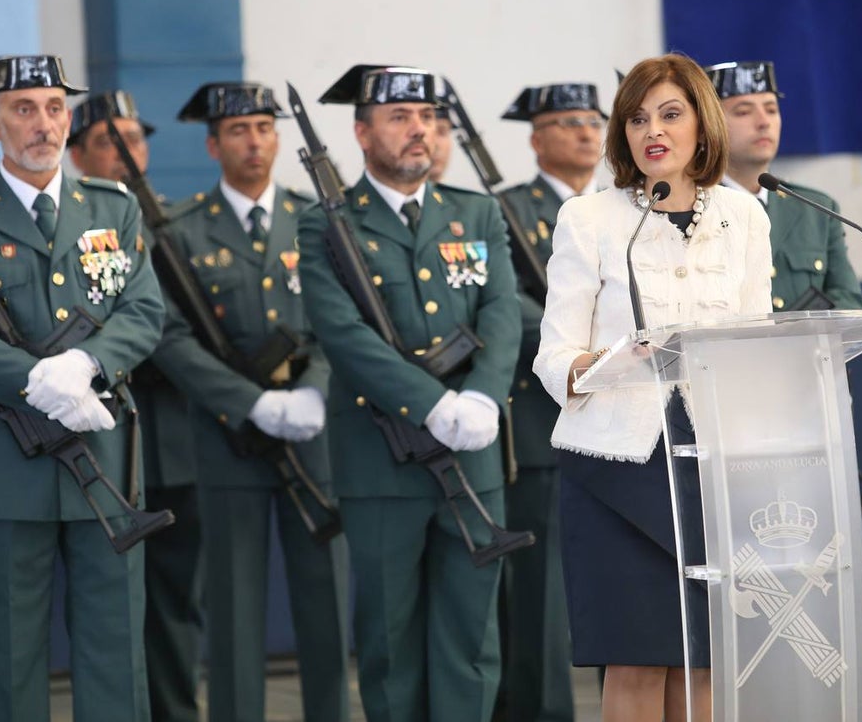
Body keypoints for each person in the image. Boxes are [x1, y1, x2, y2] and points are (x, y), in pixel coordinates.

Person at [0, 55, 165, 722]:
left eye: (55, 107)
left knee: (116, 651)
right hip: (5, 463)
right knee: (8, 654)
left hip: (108, 460)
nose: (44, 123)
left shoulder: (112, 208)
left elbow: (143, 311)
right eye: (24, 108)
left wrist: (86, 364)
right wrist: (33, 377)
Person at [534, 53, 772, 722]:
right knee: (637, 661)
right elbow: (553, 353)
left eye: (670, 114)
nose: (652, 131)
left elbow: (758, 339)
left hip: (711, 464)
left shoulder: (745, 218)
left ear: (703, 123)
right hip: (617, 466)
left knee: (703, 664)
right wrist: (601, 363)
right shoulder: (591, 217)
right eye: (637, 118)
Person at [297, 64, 522, 722]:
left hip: (475, 452)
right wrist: (432, 402)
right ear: (362, 133)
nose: (418, 129)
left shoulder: (476, 212)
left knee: (471, 639)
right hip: (381, 460)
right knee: (390, 642)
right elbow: (340, 331)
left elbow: (503, 310)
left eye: (426, 117)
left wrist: (482, 396)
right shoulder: (326, 224)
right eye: (399, 118)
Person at [153, 81, 350, 722]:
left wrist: (315, 389)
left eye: (264, 128)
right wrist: (248, 403)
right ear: (214, 145)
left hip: (312, 436)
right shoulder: (180, 231)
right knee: (235, 605)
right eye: (238, 131)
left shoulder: (316, 220)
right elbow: (170, 337)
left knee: (325, 600)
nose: (254, 141)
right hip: (227, 438)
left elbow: (340, 318)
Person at [705, 59, 862, 513]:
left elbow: (849, 302)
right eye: (743, 110)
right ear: (710, 124)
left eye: (770, 109)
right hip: (732, 404)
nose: (762, 121)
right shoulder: (693, 208)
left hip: (809, 397)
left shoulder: (813, 206)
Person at [67, 90, 206, 722]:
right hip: (95, 440)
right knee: (106, 605)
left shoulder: (185, 224)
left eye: (136, 139)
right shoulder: (62, 230)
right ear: (75, 156)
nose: (127, 153)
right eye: (108, 141)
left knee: (175, 602)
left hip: (176, 441)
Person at [495, 82, 613, 722]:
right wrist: (574, 339)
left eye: (593, 120)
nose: (585, 132)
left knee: (614, 586)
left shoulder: (623, 208)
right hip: (544, 419)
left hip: (620, 419)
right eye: (567, 122)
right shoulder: (508, 210)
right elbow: (506, 303)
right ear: (537, 139)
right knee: (540, 594)